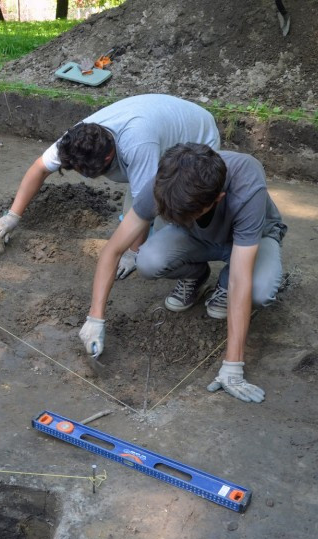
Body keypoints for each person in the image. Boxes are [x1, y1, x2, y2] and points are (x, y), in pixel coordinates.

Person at [79, 143, 287, 404]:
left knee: (258, 290)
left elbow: (241, 278)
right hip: (197, 236)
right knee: (148, 261)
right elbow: (113, 250)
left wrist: (233, 365)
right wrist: (95, 318)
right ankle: (194, 275)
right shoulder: (167, 180)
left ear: (217, 199)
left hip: (250, 240)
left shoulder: (247, 184)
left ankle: (221, 285)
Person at [0, 94, 220, 279]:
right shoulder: (76, 140)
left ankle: (194, 275)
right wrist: (13, 215)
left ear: (109, 157)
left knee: (168, 229)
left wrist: (133, 252)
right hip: (160, 129)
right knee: (134, 217)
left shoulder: (137, 144)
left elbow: (147, 203)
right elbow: (39, 169)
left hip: (196, 141)